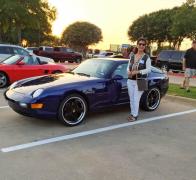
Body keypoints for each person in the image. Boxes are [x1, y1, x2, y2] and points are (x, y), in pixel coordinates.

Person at [127, 38, 151, 121]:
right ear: (137, 45)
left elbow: (148, 70)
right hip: (130, 80)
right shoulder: (132, 56)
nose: (141, 46)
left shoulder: (146, 57)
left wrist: (138, 72)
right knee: (131, 99)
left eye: (143, 44)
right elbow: (128, 66)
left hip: (141, 81)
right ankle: (132, 113)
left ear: (145, 46)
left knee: (136, 99)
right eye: (140, 44)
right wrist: (128, 71)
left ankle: (135, 115)